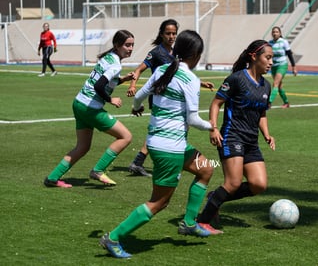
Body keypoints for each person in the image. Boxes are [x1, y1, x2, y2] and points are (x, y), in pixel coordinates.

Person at [100, 30, 214, 259]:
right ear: (196, 54)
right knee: (159, 202)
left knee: (207, 168)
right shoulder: (190, 79)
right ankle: (113, 238)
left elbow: (140, 94)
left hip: (164, 143)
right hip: (169, 148)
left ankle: (189, 223)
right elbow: (193, 119)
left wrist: (136, 107)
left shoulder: (163, 70)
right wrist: (212, 126)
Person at [197, 40, 276, 234]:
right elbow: (216, 104)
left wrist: (267, 134)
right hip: (232, 136)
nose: (271, 62)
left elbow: (262, 113)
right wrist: (213, 128)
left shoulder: (266, 86)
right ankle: (202, 221)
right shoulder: (236, 79)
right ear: (254, 57)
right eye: (268, 57)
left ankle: (215, 197)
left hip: (251, 141)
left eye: (272, 58)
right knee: (233, 183)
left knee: (259, 185)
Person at [43, 30, 137, 188]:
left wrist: (123, 80)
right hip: (90, 108)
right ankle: (98, 170)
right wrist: (110, 99)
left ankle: (52, 178)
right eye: (127, 45)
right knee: (125, 137)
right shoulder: (115, 64)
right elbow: (99, 85)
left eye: (132, 45)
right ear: (117, 45)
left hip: (79, 103)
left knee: (83, 146)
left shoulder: (108, 58)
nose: (130, 48)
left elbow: (103, 81)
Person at [126, 19, 214, 177]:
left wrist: (200, 83)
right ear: (161, 34)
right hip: (161, 97)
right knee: (166, 127)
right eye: (168, 33)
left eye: (174, 33)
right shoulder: (156, 53)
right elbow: (139, 70)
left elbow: (177, 76)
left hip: (170, 98)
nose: (172, 36)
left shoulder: (175, 53)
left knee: (161, 129)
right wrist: (133, 85)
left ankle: (139, 161)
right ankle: (145, 160)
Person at [268, 26, 297, 108]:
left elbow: (289, 54)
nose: (274, 33)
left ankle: (269, 102)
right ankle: (286, 102)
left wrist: (294, 67)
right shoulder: (270, 43)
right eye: (273, 32)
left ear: (280, 33)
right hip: (274, 66)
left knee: (275, 84)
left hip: (282, 65)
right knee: (279, 86)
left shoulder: (284, 42)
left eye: (276, 32)